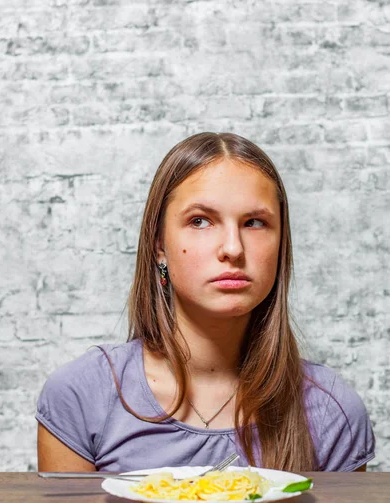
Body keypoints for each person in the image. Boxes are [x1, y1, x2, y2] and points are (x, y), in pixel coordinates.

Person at [36, 132, 375, 473]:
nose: (233, 248)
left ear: (280, 243)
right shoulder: (83, 395)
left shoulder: (333, 411)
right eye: (200, 221)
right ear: (159, 245)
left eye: (254, 222)